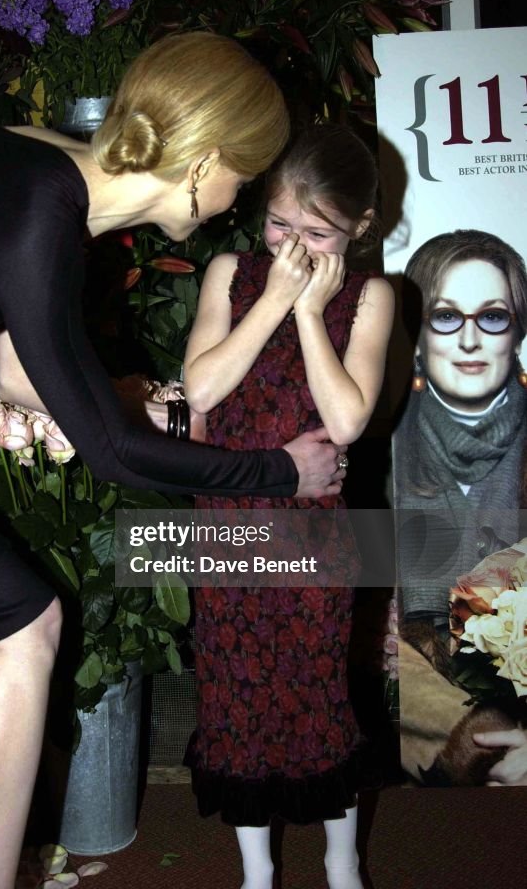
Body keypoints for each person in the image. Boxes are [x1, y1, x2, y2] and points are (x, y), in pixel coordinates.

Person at [0, 33, 349, 889]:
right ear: (202, 161)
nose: (237, 205)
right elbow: (116, 457)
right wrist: (280, 471)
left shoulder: (48, 181)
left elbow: (23, 378)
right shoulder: (35, 206)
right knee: (23, 622)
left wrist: (137, 400)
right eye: (243, 177)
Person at [183, 124, 394, 889]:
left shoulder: (369, 294)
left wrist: (309, 312)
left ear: (359, 228)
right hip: (226, 520)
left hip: (314, 530)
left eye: (316, 232)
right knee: (232, 693)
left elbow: (344, 421)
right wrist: (273, 298)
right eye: (279, 223)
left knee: (316, 689)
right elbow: (201, 390)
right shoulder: (228, 273)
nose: (293, 245)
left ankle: (342, 867)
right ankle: (255, 874)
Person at [393, 229, 527, 786]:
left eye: (492, 316)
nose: (470, 339)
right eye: (446, 316)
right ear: (418, 335)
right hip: (415, 697)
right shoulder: (377, 433)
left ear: (516, 331)